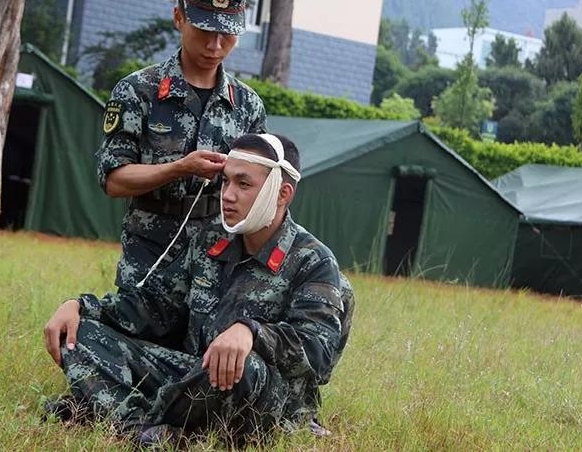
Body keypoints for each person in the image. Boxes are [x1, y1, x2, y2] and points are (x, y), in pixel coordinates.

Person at [44, 134, 354, 446]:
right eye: (226, 182)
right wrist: (81, 307)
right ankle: (141, 431)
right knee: (78, 334)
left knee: (242, 365)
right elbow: (154, 308)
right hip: (193, 375)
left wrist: (252, 333)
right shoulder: (210, 240)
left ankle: (113, 410)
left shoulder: (313, 261)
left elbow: (318, 352)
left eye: (243, 185)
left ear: (282, 193)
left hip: (263, 399)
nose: (228, 196)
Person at [96, 0, 266, 292]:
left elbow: (259, 190)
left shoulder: (248, 106)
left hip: (218, 260)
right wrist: (180, 168)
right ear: (179, 17)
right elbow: (114, 180)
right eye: (205, 30)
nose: (215, 45)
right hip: (150, 258)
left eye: (227, 34)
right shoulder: (138, 91)